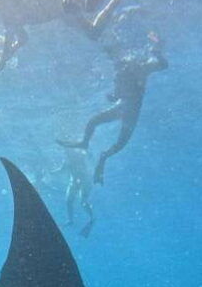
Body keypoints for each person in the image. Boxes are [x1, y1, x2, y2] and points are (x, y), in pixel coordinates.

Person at [57, 31, 167, 184]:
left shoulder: (143, 67)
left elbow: (163, 65)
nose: (117, 64)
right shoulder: (121, 68)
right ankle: (85, 143)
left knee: (120, 143)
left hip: (130, 110)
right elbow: (121, 91)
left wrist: (157, 51)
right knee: (94, 121)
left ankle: (102, 157)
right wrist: (114, 97)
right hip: (123, 106)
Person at [54, 146, 96, 237]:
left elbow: (90, 156)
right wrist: (52, 172)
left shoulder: (80, 155)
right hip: (74, 182)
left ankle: (92, 218)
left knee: (83, 202)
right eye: (65, 152)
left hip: (85, 181)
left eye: (67, 151)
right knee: (69, 201)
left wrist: (88, 152)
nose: (66, 153)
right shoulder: (67, 159)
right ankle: (70, 220)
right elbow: (61, 170)